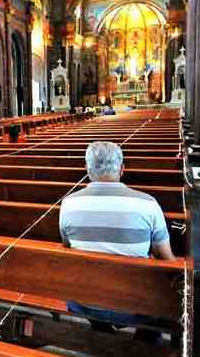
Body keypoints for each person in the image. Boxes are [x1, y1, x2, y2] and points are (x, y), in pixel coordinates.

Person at [60, 141, 175, 341]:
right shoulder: (147, 204)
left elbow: (68, 247)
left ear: (87, 169)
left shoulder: (69, 203)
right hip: (136, 305)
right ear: (122, 169)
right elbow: (168, 260)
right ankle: (145, 345)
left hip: (83, 300)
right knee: (164, 289)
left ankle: (102, 333)